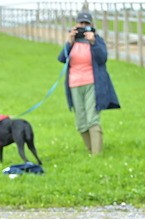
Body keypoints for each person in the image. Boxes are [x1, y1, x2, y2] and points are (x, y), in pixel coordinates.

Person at [57, 11, 120, 155]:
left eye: (86, 24)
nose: (83, 26)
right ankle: (90, 149)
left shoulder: (97, 40)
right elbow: (62, 58)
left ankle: (97, 155)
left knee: (92, 118)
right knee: (81, 120)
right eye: (81, 23)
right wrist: (69, 42)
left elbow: (102, 58)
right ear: (76, 24)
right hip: (74, 84)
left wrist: (93, 43)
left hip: (92, 83)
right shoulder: (73, 42)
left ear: (91, 25)